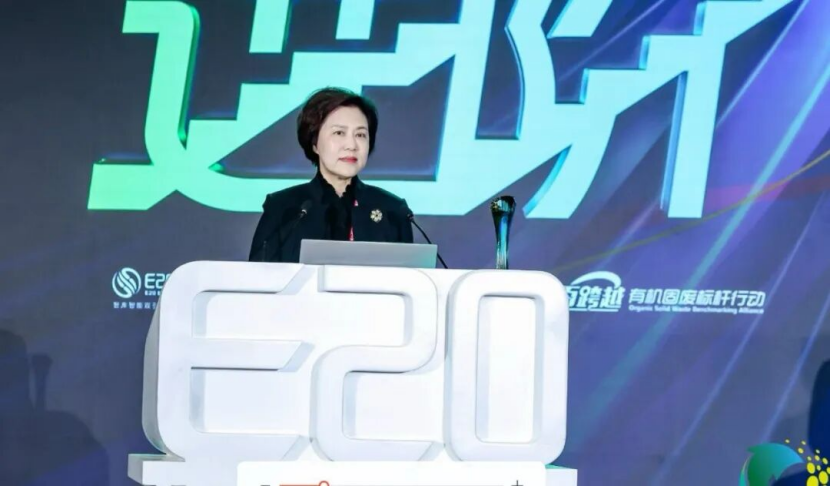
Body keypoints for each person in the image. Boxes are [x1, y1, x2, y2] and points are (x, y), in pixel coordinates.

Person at [249, 87, 414, 263]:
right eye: (339, 133)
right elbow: (257, 276)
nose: (351, 145)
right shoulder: (283, 208)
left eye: (360, 135)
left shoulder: (393, 210)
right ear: (314, 143)